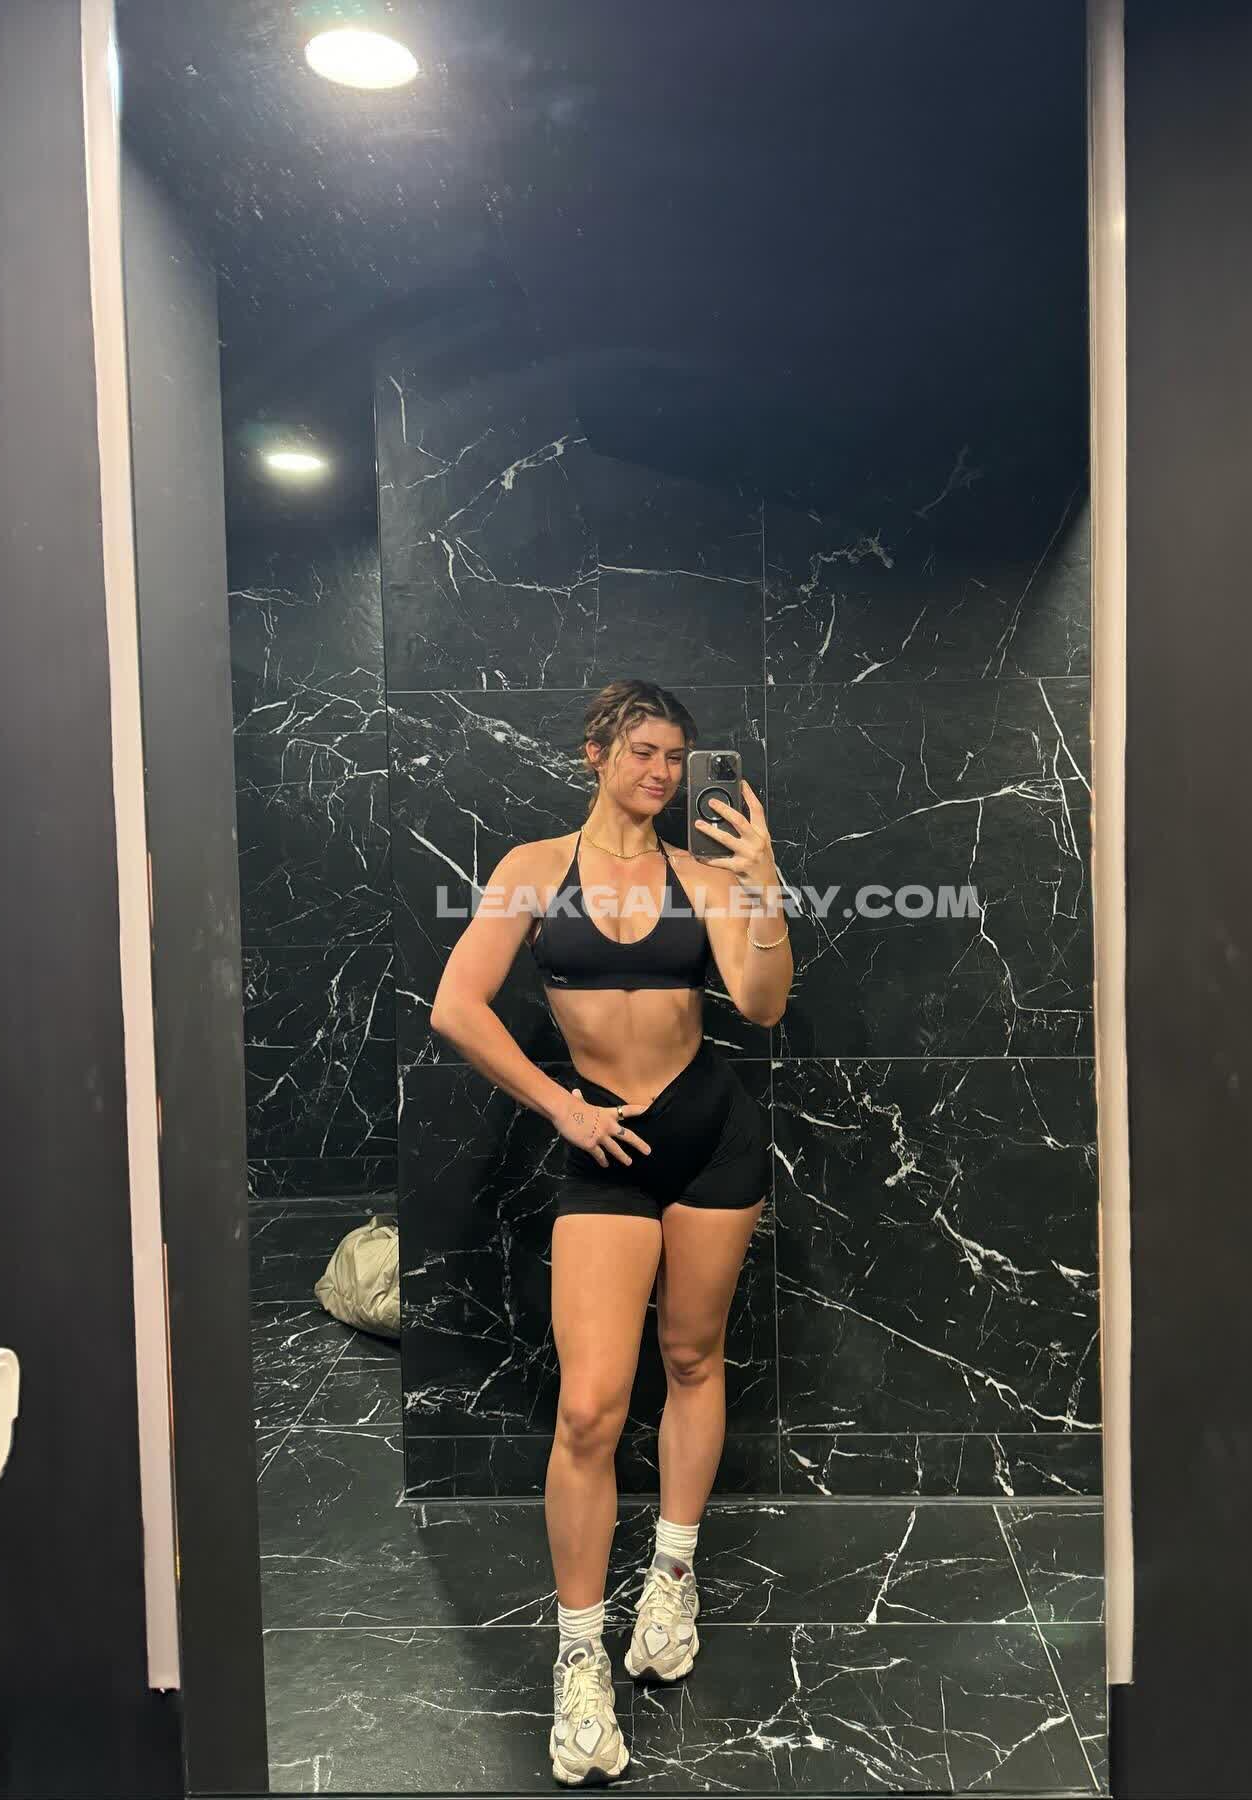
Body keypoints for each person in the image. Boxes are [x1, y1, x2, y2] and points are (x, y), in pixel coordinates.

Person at [428, 679, 794, 1786]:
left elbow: (763, 1003)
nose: (662, 773)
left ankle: (671, 1580)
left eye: (676, 757)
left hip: (711, 1140)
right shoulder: (534, 869)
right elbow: (456, 1006)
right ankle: (580, 1657)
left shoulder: (703, 876)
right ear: (595, 752)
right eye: (642, 751)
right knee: (589, 1407)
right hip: (604, 1147)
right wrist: (562, 1108)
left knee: (692, 1357)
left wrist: (765, 888)